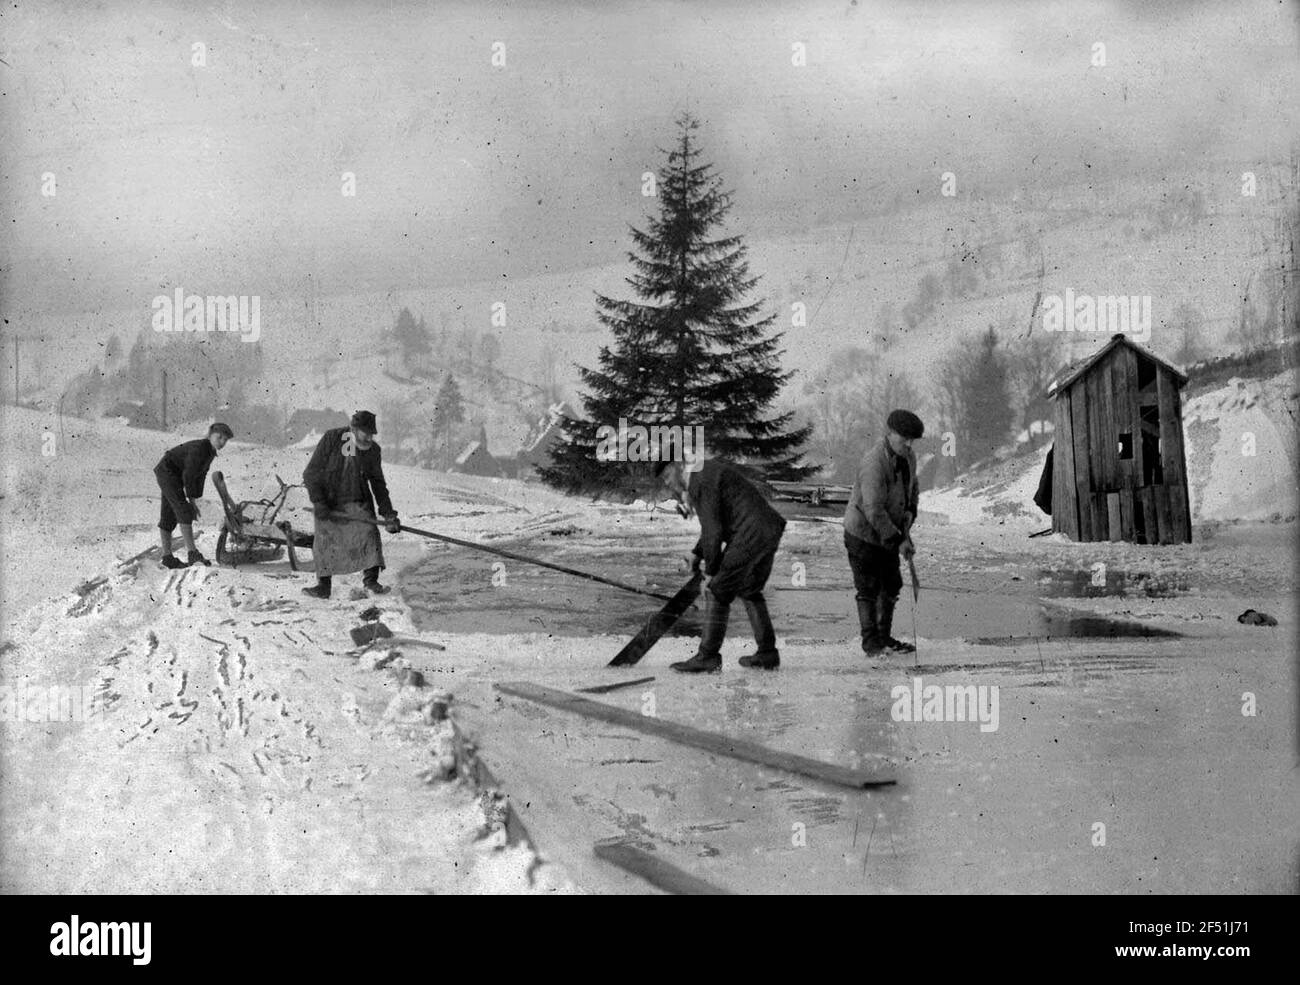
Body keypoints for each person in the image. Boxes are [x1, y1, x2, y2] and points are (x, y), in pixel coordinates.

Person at [656, 455, 786, 673]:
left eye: (667, 476)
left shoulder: (699, 480)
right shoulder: (703, 472)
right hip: (768, 528)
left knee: (717, 590)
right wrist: (696, 553)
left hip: (750, 533)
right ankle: (767, 653)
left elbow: (714, 532)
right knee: (749, 589)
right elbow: (714, 523)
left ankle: (707, 656)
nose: (667, 483)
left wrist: (711, 573)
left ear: (678, 465)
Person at [844, 409, 923, 656]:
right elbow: (873, 510)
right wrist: (898, 539)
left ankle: (884, 638)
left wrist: (909, 516)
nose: (908, 445)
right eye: (904, 439)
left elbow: (912, 490)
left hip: (888, 531)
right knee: (868, 588)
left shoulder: (908, 456)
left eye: (912, 440)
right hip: (863, 534)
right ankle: (872, 645)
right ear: (889, 434)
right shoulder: (874, 463)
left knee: (891, 583)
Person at [301, 410, 401, 599]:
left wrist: (389, 515)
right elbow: (311, 473)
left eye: (372, 434)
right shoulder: (332, 438)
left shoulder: (373, 450)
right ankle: (323, 586)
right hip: (329, 504)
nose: (369, 437)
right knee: (324, 540)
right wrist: (319, 502)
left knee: (369, 533)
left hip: (358, 503)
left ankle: (371, 582)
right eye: (366, 433)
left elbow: (378, 484)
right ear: (353, 429)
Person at [154, 422, 233, 569]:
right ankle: (192, 554)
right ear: (210, 435)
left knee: (168, 515)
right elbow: (189, 475)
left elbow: (200, 476)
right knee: (184, 511)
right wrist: (191, 500)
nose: (222, 442)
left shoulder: (209, 452)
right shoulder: (200, 449)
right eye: (219, 437)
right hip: (168, 472)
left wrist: (195, 499)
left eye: (225, 440)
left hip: (172, 475)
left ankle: (167, 558)